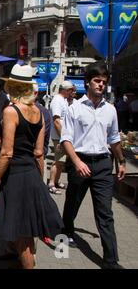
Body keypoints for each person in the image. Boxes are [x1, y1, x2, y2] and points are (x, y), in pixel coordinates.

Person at [0, 64, 63, 269]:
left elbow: (6, 152)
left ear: (13, 86)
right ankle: (14, 254)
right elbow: (39, 152)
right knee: (21, 228)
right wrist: (39, 178)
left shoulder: (11, 111)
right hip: (30, 173)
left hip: (16, 177)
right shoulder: (39, 111)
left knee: (23, 236)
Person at [60, 61, 126, 269]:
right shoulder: (75, 108)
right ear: (87, 82)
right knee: (72, 204)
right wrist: (77, 161)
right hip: (80, 162)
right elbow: (66, 139)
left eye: (103, 82)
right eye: (97, 81)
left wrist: (121, 161)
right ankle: (65, 234)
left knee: (105, 213)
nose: (100, 85)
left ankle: (111, 261)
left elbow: (114, 138)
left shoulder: (111, 110)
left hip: (103, 165)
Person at [48, 80, 74, 194]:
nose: (72, 93)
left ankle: (56, 181)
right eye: (70, 91)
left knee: (61, 161)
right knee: (58, 161)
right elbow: (56, 121)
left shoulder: (62, 100)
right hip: (59, 136)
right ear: (66, 90)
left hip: (62, 136)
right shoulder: (57, 100)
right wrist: (62, 137)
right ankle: (52, 184)